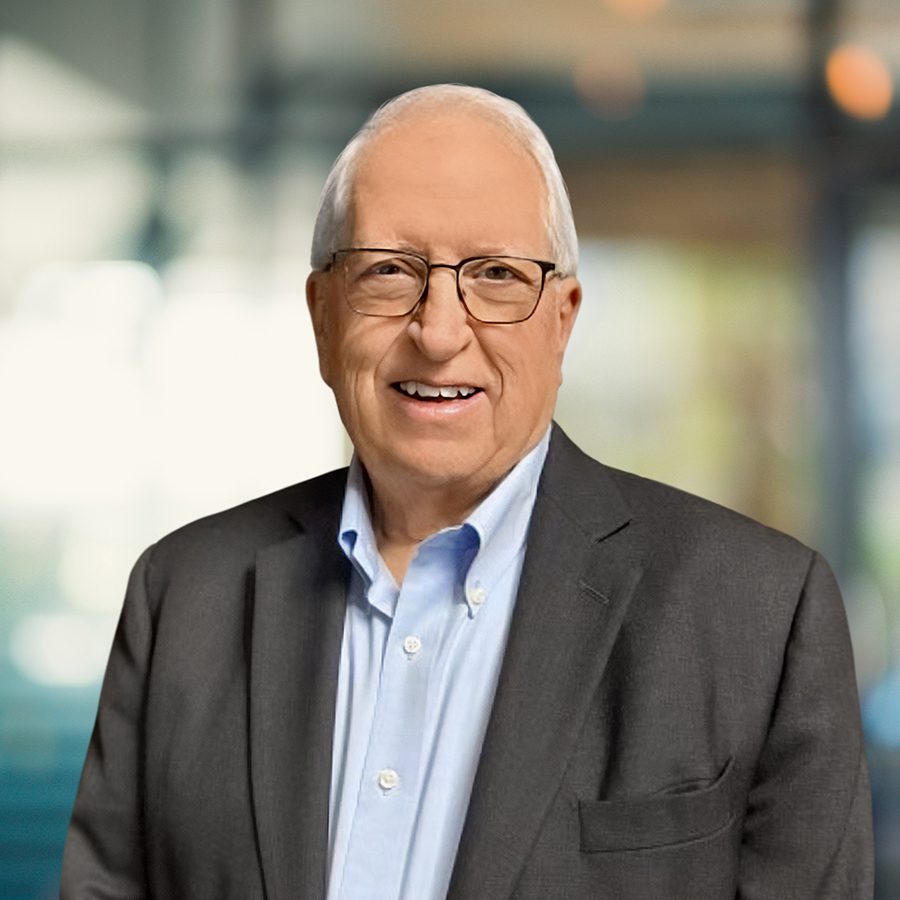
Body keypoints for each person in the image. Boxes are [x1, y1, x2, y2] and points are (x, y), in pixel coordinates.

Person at [61, 84, 873, 899]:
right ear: (321, 317)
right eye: (387, 272)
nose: (440, 332)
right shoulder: (183, 596)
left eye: (495, 275)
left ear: (563, 320)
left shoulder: (758, 614)